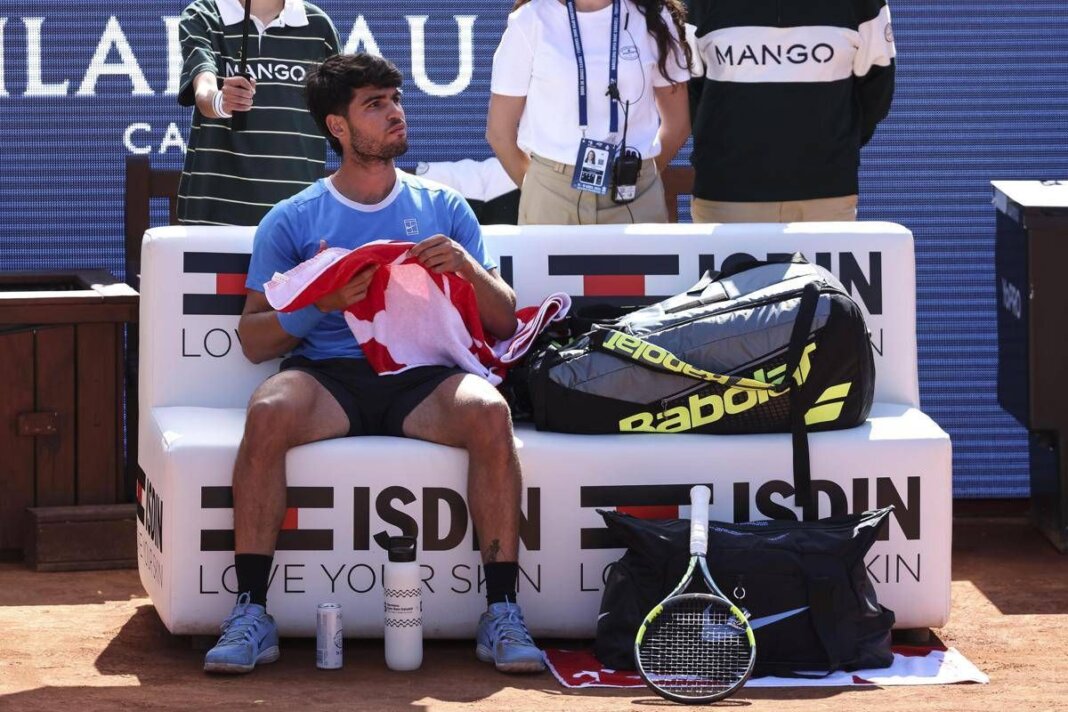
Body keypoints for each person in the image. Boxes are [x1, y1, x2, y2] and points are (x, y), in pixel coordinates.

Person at [202, 53, 546, 676]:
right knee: (269, 410)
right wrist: (323, 303)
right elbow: (253, 339)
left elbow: (503, 321)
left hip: (424, 377)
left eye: (396, 100)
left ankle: (502, 612)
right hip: (329, 377)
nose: (395, 113)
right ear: (337, 127)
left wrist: (466, 268)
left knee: (490, 413)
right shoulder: (292, 218)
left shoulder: (445, 207)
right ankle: (250, 611)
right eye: (375, 104)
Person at [686, 0, 896, 223]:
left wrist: (829, 148)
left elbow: (877, 91)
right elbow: (686, 94)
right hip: (725, 197)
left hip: (827, 197)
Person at [487, 0, 692, 225]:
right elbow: (500, 133)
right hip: (552, 195)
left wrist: (639, 172)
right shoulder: (530, 19)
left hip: (634, 193)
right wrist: (542, 187)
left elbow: (678, 124)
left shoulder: (653, 16)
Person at [176, 0, 340, 226]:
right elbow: (204, 90)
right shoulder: (203, 14)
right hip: (213, 216)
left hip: (298, 219)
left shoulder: (319, 25)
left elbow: (340, 115)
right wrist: (221, 102)